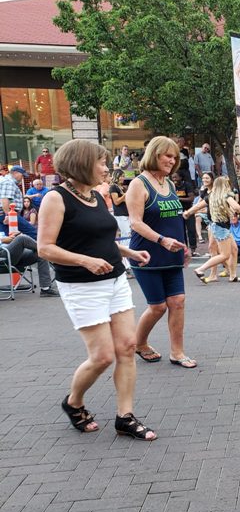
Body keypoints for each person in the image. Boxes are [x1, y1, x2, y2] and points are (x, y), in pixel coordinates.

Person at [36, 138, 156, 440]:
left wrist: (129, 253)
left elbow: (101, 240)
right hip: (82, 286)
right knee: (102, 356)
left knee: (127, 347)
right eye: (101, 162)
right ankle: (73, 401)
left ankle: (124, 417)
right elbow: (44, 248)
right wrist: (85, 261)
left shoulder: (95, 197)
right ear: (81, 163)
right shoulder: (56, 198)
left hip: (115, 280)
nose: (106, 167)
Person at [127, 136, 196, 369]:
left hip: (172, 253)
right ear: (155, 155)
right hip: (147, 255)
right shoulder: (139, 184)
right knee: (157, 306)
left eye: (175, 156)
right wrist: (161, 240)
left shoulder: (169, 183)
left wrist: (184, 246)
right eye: (168, 155)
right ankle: (139, 343)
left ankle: (177, 352)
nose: (172, 160)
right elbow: (135, 223)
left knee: (177, 301)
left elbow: (176, 218)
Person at [189, 176, 240, 284]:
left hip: (218, 226)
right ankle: (201, 269)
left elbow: (197, 206)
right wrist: (234, 209)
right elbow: (237, 208)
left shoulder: (211, 196)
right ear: (224, 185)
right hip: (221, 227)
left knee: (234, 250)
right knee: (224, 254)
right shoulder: (225, 196)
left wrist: (187, 213)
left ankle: (233, 276)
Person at [0, 231, 57, 297]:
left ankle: (46, 289)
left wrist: (9, 238)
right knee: (22, 238)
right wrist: (2, 240)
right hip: (2, 256)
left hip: (9, 252)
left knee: (41, 254)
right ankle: (51, 251)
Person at [0, 165, 38, 239]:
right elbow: (5, 199)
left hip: (4, 214)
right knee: (33, 232)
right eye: (22, 175)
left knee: (9, 238)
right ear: (15, 173)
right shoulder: (9, 182)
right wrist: (8, 216)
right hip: (9, 214)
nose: (23, 178)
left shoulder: (6, 181)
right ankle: (43, 249)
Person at [109, 170, 132, 276]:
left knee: (127, 236)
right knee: (125, 236)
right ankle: (126, 263)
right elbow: (116, 201)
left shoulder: (121, 187)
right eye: (121, 176)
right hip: (120, 215)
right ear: (117, 176)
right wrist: (125, 195)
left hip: (126, 214)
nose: (123, 178)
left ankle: (127, 262)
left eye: (123, 176)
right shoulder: (113, 187)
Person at [171, 170, 197, 255]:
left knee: (191, 230)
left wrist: (178, 199)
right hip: (177, 212)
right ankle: (184, 248)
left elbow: (191, 198)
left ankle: (193, 249)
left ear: (181, 177)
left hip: (188, 210)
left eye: (176, 177)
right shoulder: (172, 186)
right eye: (173, 177)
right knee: (181, 231)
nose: (174, 179)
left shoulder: (187, 185)